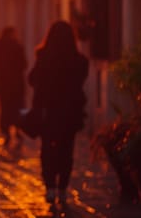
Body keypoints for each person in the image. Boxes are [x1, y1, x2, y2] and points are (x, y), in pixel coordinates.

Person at [28, 20, 88, 204]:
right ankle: (62, 188)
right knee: (66, 150)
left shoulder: (43, 56)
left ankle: (50, 188)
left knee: (47, 150)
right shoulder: (79, 61)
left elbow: (32, 79)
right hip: (70, 112)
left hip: (48, 111)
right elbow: (80, 82)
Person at [0, 26, 27, 145]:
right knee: (17, 107)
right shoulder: (17, 47)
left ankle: (6, 131)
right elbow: (24, 64)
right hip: (16, 86)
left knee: (5, 108)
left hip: (3, 86)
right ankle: (18, 130)